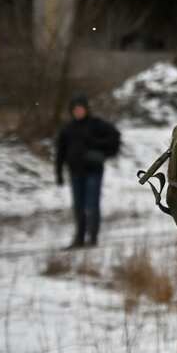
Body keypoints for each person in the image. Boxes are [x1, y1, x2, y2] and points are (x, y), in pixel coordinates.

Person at [54, 94, 121, 248]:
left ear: (86, 109)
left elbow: (114, 138)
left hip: (94, 171)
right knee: (78, 206)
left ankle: (93, 238)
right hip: (76, 172)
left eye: (80, 108)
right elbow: (60, 152)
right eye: (75, 109)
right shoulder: (67, 129)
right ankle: (79, 238)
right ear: (71, 111)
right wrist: (58, 173)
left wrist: (101, 149)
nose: (78, 112)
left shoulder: (97, 124)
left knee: (92, 205)